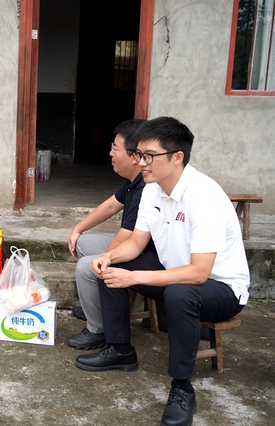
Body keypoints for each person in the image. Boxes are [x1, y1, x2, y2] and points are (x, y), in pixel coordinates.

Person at [74, 117, 250, 426]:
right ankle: (119, 349)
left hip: (220, 287)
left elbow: (199, 274)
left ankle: (182, 388)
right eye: (139, 155)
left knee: (181, 294)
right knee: (111, 267)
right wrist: (108, 256)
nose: (142, 163)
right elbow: (136, 243)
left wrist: (135, 277)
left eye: (149, 156)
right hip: (175, 275)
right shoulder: (152, 189)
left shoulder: (204, 196)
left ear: (177, 156)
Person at [67, 119, 153, 350]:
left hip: (144, 253)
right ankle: (95, 307)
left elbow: (127, 237)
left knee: (86, 267)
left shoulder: (146, 187)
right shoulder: (133, 181)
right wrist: (78, 228)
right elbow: (110, 205)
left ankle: (99, 329)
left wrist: (104, 259)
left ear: (134, 156)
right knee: (83, 243)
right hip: (135, 247)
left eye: (115, 148)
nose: (110, 153)